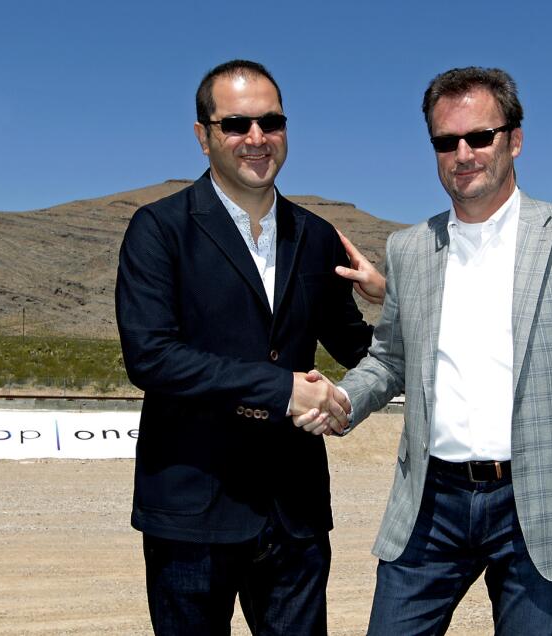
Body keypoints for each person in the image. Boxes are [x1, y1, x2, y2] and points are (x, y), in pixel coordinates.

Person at [297, 66, 552, 635]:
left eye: (479, 137)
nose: (463, 153)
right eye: (446, 141)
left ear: (513, 140)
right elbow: (391, 359)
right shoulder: (410, 249)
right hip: (430, 504)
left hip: (538, 500)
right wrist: (341, 396)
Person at [114, 59, 374, 636]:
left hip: (295, 514)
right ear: (204, 136)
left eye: (271, 122)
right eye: (236, 125)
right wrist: (281, 389)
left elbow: (358, 346)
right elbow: (151, 357)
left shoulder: (316, 236)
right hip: (192, 511)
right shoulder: (159, 229)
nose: (256, 139)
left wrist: (399, 302)